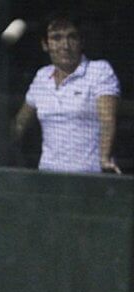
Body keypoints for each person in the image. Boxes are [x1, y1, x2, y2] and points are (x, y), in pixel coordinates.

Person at [13, 13, 121, 173]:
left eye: (72, 37)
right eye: (56, 38)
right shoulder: (42, 76)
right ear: (45, 44)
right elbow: (20, 124)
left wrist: (104, 159)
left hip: (89, 177)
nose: (65, 45)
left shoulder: (99, 70)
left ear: (81, 42)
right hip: (48, 177)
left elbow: (107, 120)